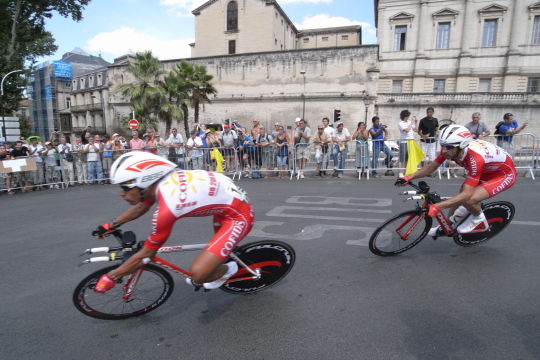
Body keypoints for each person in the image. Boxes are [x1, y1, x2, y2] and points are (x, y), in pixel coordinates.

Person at [92, 152, 254, 293]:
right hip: (227, 206)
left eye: (125, 188)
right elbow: (142, 205)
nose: (122, 194)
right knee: (213, 257)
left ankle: (229, 269)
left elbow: (147, 255)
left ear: (143, 183)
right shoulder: (161, 182)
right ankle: (219, 263)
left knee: (198, 274)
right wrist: (112, 225)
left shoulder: (168, 207)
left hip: (238, 217)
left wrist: (111, 277)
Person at [395, 124, 516, 235]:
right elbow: (431, 168)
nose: (444, 150)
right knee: (460, 196)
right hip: (486, 171)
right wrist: (408, 177)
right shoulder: (452, 149)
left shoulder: (475, 158)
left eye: (448, 147)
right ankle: (448, 225)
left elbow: (466, 195)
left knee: (468, 199)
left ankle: (479, 220)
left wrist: (438, 207)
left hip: (503, 175)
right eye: (442, 146)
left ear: (461, 146)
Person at [398, 110, 417, 178]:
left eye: (408, 116)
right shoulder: (401, 123)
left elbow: (415, 129)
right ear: (404, 116)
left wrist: (415, 122)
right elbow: (406, 130)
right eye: (407, 116)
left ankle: (406, 172)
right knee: (402, 158)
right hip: (404, 142)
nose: (408, 117)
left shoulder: (409, 122)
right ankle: (400, 172)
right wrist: (411, 122)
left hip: (411, 141)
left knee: (408, 158)